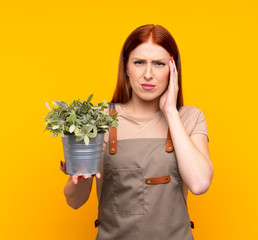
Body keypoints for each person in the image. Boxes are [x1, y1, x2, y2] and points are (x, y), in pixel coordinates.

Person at [60, 24, 213, 239]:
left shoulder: (189, 118)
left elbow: (199, 184)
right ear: (126, 67)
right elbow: (74, 201)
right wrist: (81, 174)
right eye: (139, 62)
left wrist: (170, 112)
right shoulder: (97, 119)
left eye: (159, 64)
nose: (148, 74)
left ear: (173, 69)